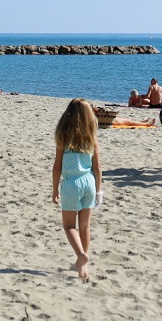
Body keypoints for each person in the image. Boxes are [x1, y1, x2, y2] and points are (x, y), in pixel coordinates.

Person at [52, 98, 103, 282]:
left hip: (71, 183)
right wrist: (98, 191)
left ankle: (81, 255)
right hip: (89, 182)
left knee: (68, 226)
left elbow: (57, 166)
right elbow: (97, 168)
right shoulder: (92, 138)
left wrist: (54, 189)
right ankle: (82, 264)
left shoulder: (63, 137)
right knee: (85, 226)